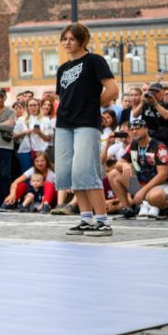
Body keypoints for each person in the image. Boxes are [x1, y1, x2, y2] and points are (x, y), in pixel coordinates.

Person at [55, 23, 119, 236]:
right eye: (64, 38)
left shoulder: (94, 61)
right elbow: (62, 97)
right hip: (64, 123)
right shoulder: (62, 69)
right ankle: (86, 220)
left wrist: (93, 106)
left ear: (82, 41)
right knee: (71, 174)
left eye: (72, 39)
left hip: (86, 123)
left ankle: (102, 221)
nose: (67, 42)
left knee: (86, 171)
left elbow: (112, 89)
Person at [107, 117, 168, 219]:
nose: (134, 131)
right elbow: (119, 163)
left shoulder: (159, 147)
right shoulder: (134, 144)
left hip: (163, 185)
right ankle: (128, 209)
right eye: (132, 129)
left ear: (146, 129)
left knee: (154, 197)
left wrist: (142, 191)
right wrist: (124, 164)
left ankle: (164, 206)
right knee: (113, 174)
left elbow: (163, 175)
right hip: (142, 184)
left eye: (137, 128)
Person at [12, 98, 52, 173]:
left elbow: (48, 139)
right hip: (25, 150)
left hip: (41, 150)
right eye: (30, 105)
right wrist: (27, 131)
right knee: (27, 173)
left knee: (41, 173)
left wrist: (40, 133)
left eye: (35, 105)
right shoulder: (21, 119)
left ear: (38, 106)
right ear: (27, 107)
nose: (33, 107)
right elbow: (14, 136)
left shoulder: (45, 120)